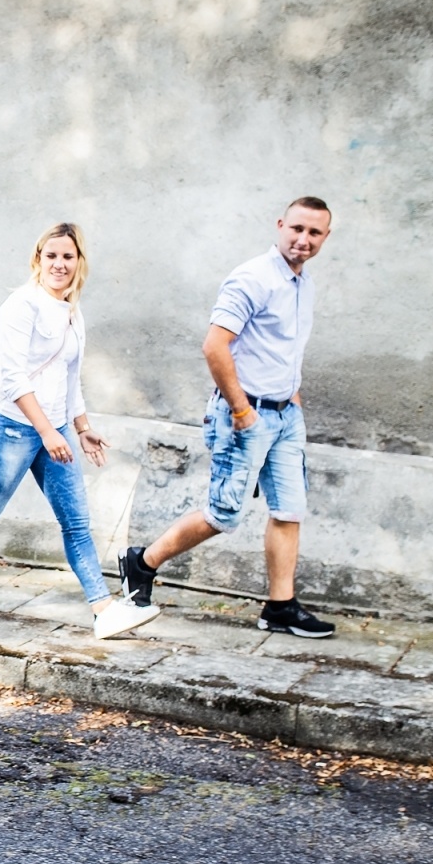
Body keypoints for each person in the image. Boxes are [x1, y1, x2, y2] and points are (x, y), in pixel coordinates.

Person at [0, 223, 161, 641]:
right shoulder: (21, 305)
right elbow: (13, 378)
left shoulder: (71, 310)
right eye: (51, 256)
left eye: (68, 256)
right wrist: (49, 432)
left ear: (79, 261)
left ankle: (103, 610)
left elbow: (70, 378)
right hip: (13, 428)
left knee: (76, 521)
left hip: (55, 430)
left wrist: (82, 428)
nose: (59, 264)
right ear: (38, 259)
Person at [119, 198, 337, 638]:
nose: (304, 239)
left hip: (285, 416)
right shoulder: (253, 278)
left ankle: (280, 606)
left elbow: (284, 350)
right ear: (280, 225)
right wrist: (241, 410)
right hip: (245, 415)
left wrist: (291, 398)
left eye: (314, 232)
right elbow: (214, 346)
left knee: (289, 510)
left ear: (325, 237)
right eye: (297, 228)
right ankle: (142, 562)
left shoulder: (304, 284)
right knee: (223, 514)